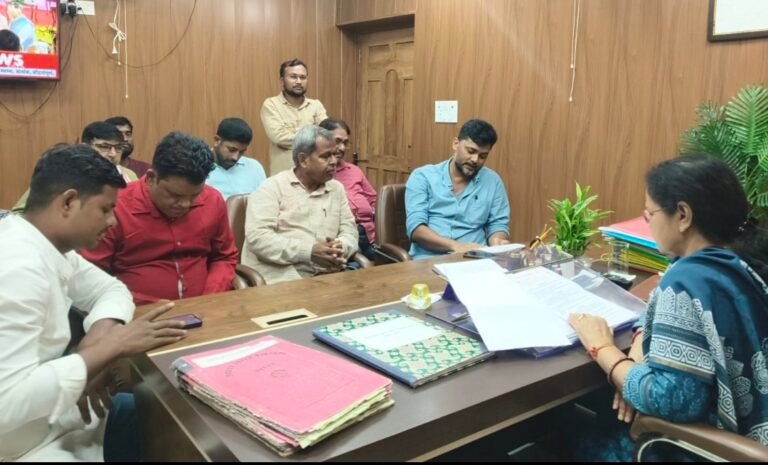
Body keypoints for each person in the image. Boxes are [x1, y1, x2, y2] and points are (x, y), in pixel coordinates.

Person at [566, 155, 768, 461]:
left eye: (650, 214)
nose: (648, 222)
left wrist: (602, 349)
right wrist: (635, 354)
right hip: (751, 432)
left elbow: (668, 400)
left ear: (683, 215)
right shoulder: (739, 263)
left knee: (570, 432)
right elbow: (657, 312)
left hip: (698, 449)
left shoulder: (686, 280)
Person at [0, 144, 187, 461]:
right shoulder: (17, 267)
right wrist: (109, 348)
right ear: (69, 202)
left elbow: (112, 290)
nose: (113, 221)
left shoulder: (46, 244)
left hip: (49, 418)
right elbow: (5, 403)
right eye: (105, 209)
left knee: (163, 415)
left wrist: (96, 342)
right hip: (18, 446)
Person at [81, 132, 239, 305]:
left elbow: (224, 257)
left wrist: (210, 298)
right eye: (175, 195)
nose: (185, 204)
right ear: (151, 178)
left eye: (195, 195)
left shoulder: (211, 200)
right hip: (135, 312)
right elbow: (92, 275)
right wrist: (139, 305)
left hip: (207, 309)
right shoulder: (115, 208)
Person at [242, 125, 358, 284]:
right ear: (303, 160)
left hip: (329, 274)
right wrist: (308, 252)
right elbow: (259, 238)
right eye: (326, 156)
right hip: (281, 278)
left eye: (334, 154)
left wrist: (339, 248)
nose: (334, 162)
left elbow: (350, 230)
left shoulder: (336, 189)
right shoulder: (271, 188)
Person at [405, 119, 511, 259]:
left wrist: (497, 241)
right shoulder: (423, 177)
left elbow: (497, 225)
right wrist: (456, 246)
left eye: (483, 156)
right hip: (428, 260)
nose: (475, 159)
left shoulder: (493, 181)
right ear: (456, 144)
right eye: (471, 151)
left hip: (475, 259)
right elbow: (416, 229)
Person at [12, 123, 136, 214]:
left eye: (118, 148)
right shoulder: (66, 173)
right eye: (104, 147)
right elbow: (20, 212)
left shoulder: (129, 176)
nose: (113, 154)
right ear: (85, 147)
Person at [319, 118, 377, 261]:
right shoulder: (318, 174)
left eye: (345, 143)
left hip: (370, 237)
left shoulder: (354, 170)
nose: (342, 148)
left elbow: (374, 200)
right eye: (337, 141)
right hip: (341, 239)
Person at [260, 58, 328, 175]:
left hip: (313, 175)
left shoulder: (316, 105)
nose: (298, 81)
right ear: (282, 81)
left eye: (303, 77)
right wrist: (312, 133)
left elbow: (326, 135)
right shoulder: (271, 104)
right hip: (283, 177)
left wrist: (293, 133)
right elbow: (279, 137)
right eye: (293, 77)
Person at [205, 117, 266, 200]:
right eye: (231, 150)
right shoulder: (198, 167)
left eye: (241, 152)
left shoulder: (255, 167)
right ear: (217, 140)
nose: (235, 157)